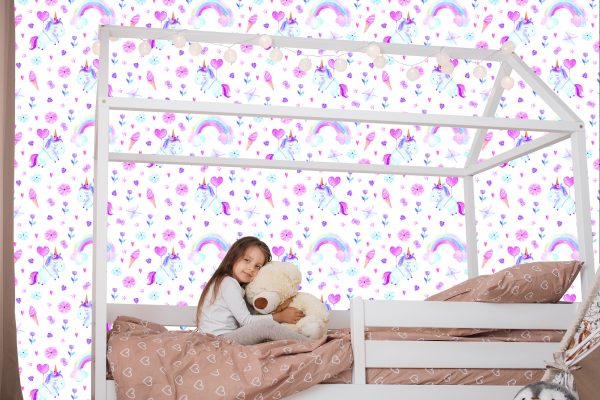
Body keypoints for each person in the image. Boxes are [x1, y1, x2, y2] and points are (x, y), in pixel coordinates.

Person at [196, 236, 309, 345]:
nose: (251, 268)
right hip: (220, 339)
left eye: (258, 266)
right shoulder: (227, 282)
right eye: (247, 260)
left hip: (222, 337)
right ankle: (310, 344)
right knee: (266, 326)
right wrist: (280, 316)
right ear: (233, 257)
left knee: (266, 332)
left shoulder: (235, 285)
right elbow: (246, 321)